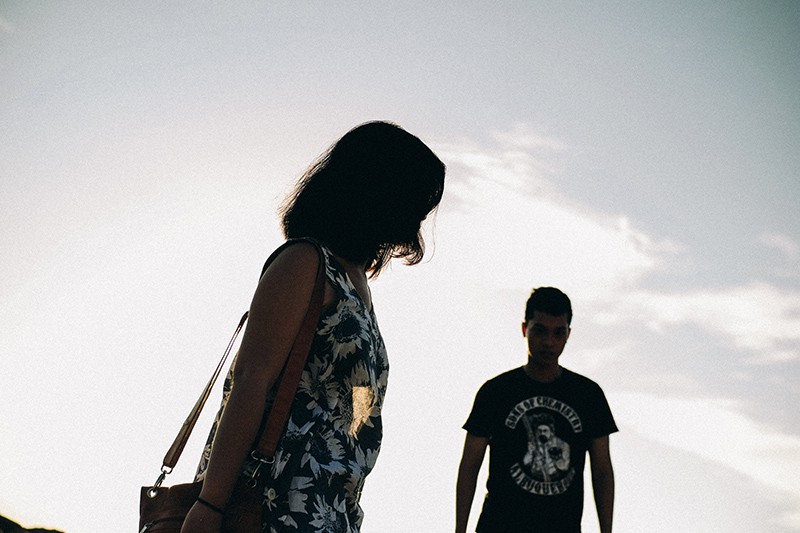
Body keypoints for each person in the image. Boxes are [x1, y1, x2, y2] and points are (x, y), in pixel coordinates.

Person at [181, 121, 446, 533]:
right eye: (413, 199)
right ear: (378, 189)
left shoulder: (356, 282)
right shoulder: (304, 261)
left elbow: (360, 402)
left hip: (331, 508)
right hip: (268, 503)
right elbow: (251, 379)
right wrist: (210, 504)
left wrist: (354, 458)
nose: (415, 217)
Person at [456, 287, 617, 533]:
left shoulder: (588, 396)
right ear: (524, 329)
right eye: (540, 330)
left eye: (558, 332)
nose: (549, 342)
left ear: (568, 334)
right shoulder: (496, 392)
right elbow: (469, 466)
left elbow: (602, 471)